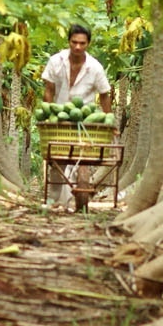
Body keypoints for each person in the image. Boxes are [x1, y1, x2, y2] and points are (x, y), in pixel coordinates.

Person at [41, 24, 113, 210]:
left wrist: (108, 120)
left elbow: (104, 94)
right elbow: (49, 90)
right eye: (74, 42)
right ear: (69, 41)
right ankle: (55, 203)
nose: (78, 47)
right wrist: (49, 114)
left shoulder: (95, 67)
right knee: (57, 162)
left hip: (84, 119)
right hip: (61, 117)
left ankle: (72, 200)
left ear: (88, 43)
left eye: (82, 43)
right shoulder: (56, 61)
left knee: (79, 160)